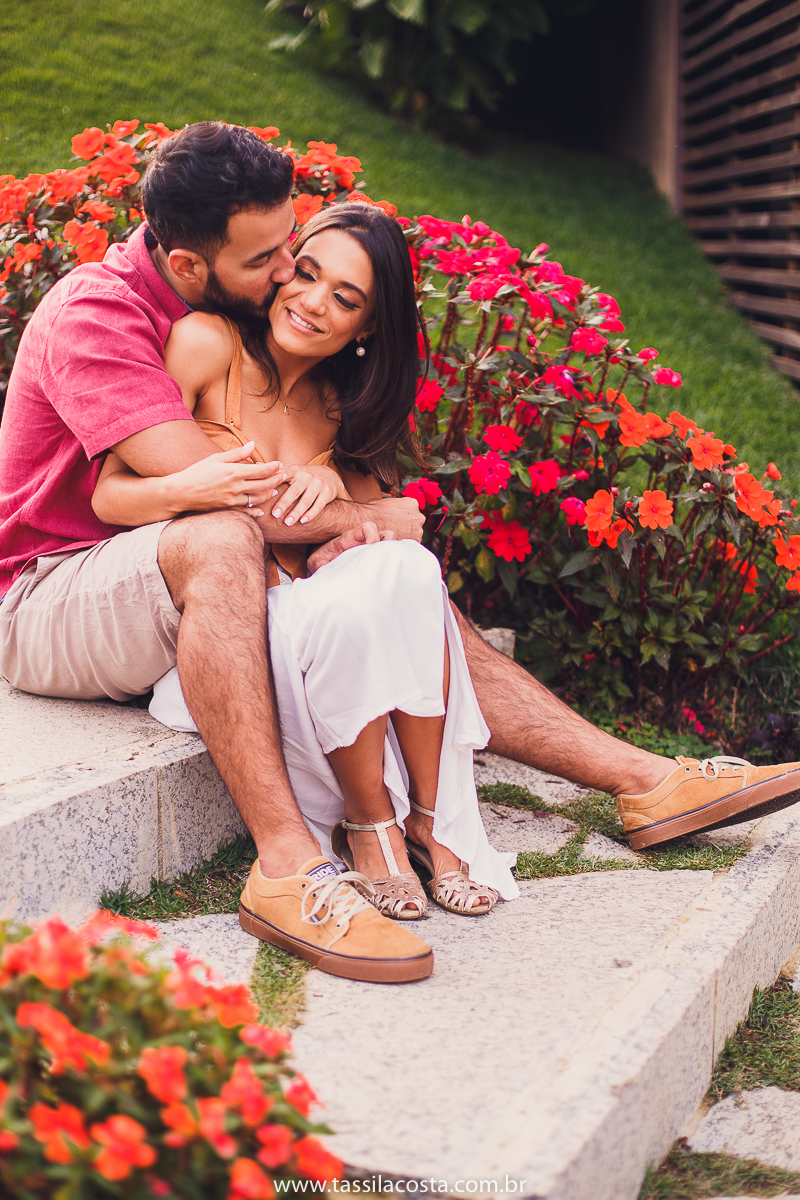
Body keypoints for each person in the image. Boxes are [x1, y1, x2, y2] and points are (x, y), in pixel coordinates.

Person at [2, 123, 800, 986]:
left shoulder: (247, 326)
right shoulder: (103, 313)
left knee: (386, 570)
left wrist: (366, 527)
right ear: (190, 266)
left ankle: (645, 781)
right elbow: (223, 497)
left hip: (181, 586)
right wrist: (373, 509)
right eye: (271, 259)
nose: (287, 275)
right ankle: (286, 867)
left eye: (293, 246)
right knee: (242, 531)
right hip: (53, 594)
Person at [91, 202, 515, 922]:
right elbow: (111, 495)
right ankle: (371, 824)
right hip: (224, 640)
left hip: (313, 625)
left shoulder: (340, 406)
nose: (313, 302)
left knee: (409, 572)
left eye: (344, 298)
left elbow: (382, 537)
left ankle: (432, 822)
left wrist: (342, 503)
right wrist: (216, 491)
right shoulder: (206, 343)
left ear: (368, 326)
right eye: (307, 274)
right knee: (382, 582)